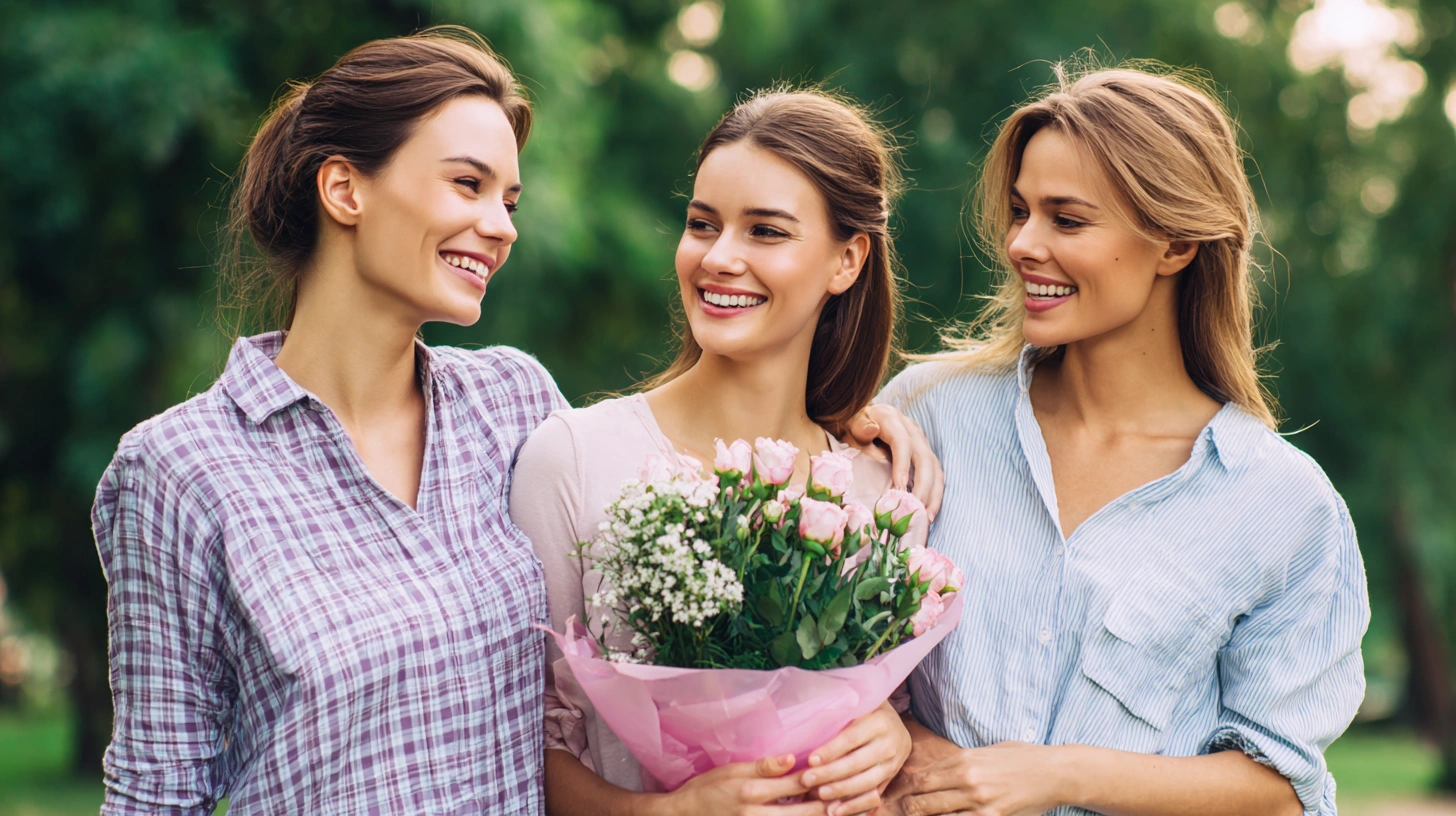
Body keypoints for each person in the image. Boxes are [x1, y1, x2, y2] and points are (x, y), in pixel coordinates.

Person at [91, 27, 938, 815]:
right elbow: (155, 797)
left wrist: (839, 420)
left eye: (510, 199)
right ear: (345, 187)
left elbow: (660, 458)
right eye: (467, 184)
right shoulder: (178, 470)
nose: (500, 228)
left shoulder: (509, 404)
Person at [875, 65, 1369, 816]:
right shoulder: (926, 413)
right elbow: (827, 657)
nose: (1022, 244)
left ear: (1173, 245)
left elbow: (1278, 785)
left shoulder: (1284, 505)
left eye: (1066, 220)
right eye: (1019, 211)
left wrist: (1058, 775)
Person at [510, 89, 926, 816]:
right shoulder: (571, 457)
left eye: (766, 231)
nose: (720, 258)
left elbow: (897, 733)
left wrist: (894, 737)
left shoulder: (881, 497)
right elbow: (519, 746)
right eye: (702, 225)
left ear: (847, 260)